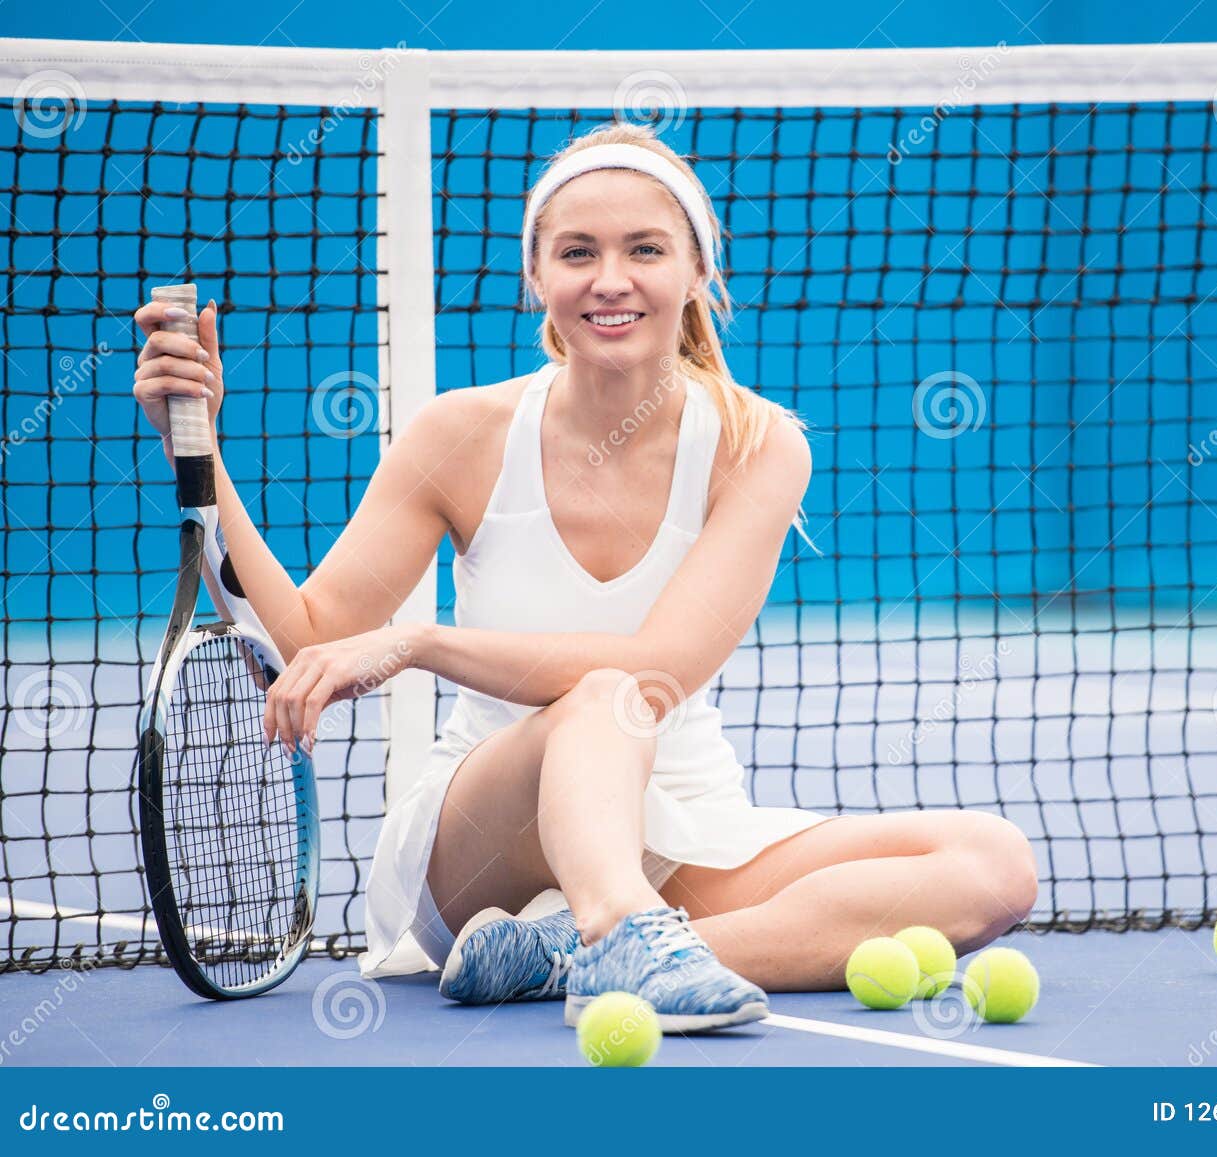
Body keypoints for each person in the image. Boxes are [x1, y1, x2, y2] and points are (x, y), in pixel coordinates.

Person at [132, 122, 1038, 1032]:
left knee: (993, 861)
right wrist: (199, 446)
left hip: (679, 820)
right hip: (485, 841)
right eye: (578, 252)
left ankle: (580, 950)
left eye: (645, 248)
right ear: (538, 276)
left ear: (695, 272)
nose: (611, 279)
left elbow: (663, 669)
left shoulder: (761, 446)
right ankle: (622, 930)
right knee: (606, 699)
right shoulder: (459, 434)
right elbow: (306, 642)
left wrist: (424, 640)